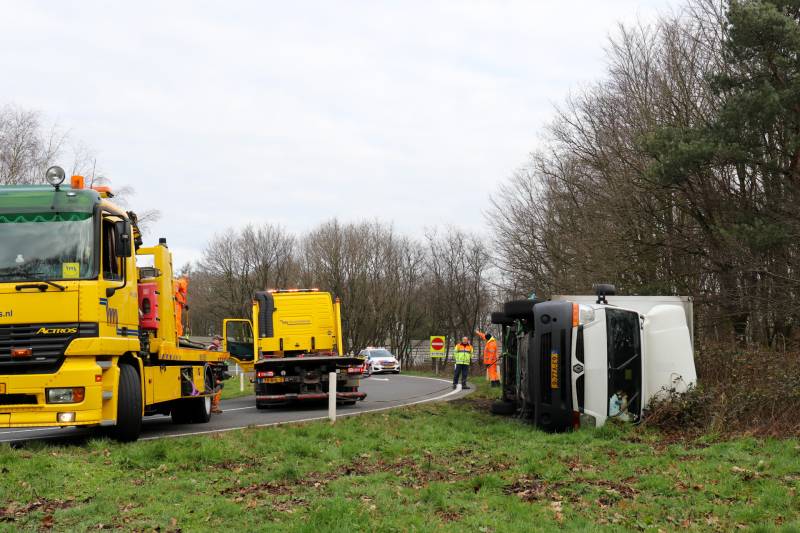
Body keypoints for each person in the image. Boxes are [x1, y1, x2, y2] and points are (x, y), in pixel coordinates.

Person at [207, 335, 224, 414]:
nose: (220, 342)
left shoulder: (212, 347)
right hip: (211, 372)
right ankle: (214, 407)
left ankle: (213, 406)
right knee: (219, 385)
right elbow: (213, 361)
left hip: (211, 372)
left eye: (221, 340)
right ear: (214, 340)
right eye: (219, 340)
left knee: (215, 387)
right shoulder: (212, 348)